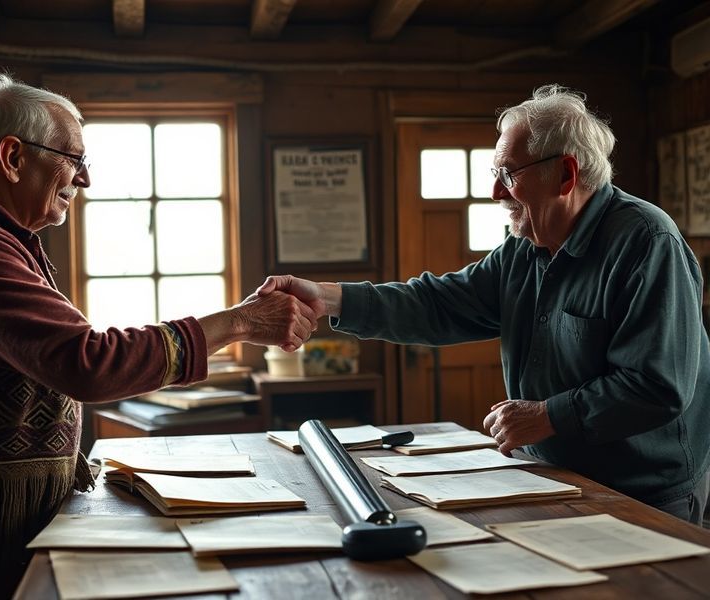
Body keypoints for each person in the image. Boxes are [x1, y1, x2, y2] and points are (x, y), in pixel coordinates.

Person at [0, 74, 315, 597]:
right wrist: (241, 322)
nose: (84, 180)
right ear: (12, 158)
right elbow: (85, 362)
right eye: (73, 158)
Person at [259, 84, 710, 525]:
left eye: (509, 174)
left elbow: (656, 387)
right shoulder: (525, 245)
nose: (496, 192)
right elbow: (438, 304)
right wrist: (329, 298)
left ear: (566, 175)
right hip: (551, 477)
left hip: (643, 493)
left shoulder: (647, 243)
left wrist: (548, 416)